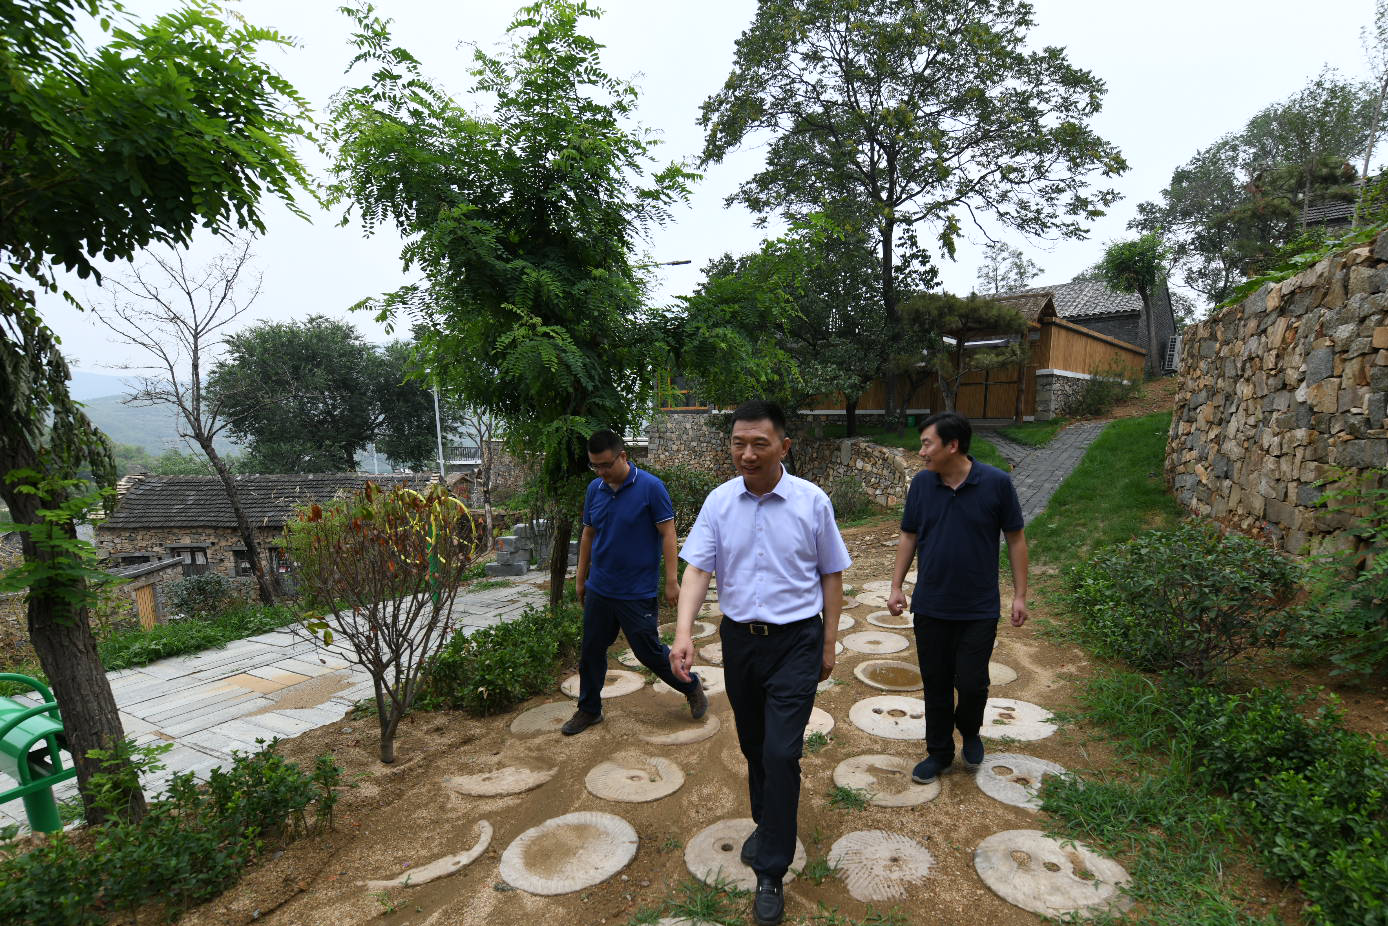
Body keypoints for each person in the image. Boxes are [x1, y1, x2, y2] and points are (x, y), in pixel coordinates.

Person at [670, 400, 851, 927]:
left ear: (783, 447)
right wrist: (683, 633)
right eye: (738, 443)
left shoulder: (812, 502)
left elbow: (832, 574)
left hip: (796, 641)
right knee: (753, 745)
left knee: (781, 751)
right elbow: (697, 570)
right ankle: (768, 823)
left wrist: (829, 642)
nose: (747, 454)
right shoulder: (720, 502)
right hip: (741, 642)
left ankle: (771, 869)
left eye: (759, 444)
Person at [886, 411, 1029, 786]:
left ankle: (970, 730)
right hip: (931, 604)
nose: (921, 452)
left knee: (971, 683)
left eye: (927, 444)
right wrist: (896, 586)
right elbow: (909, 535)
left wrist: (1020, 595)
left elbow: (1016, 538)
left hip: (978, 607)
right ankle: (939, 752)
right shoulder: (922, 484)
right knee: (935, 683)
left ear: (952, 445)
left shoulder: (996, 483)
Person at [563, 430, 707, 736]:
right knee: (591, 650)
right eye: (595, 466)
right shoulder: (594, 489)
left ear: (623, 457)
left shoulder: (651, 487)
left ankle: (691, 686)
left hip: (636, 590)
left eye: (606, 465)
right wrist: (581, 578)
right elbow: (588, 534)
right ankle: (589, 709)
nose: (601, 472)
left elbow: (668, 534)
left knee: (648, 652)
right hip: (600, 587)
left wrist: (671, 581)